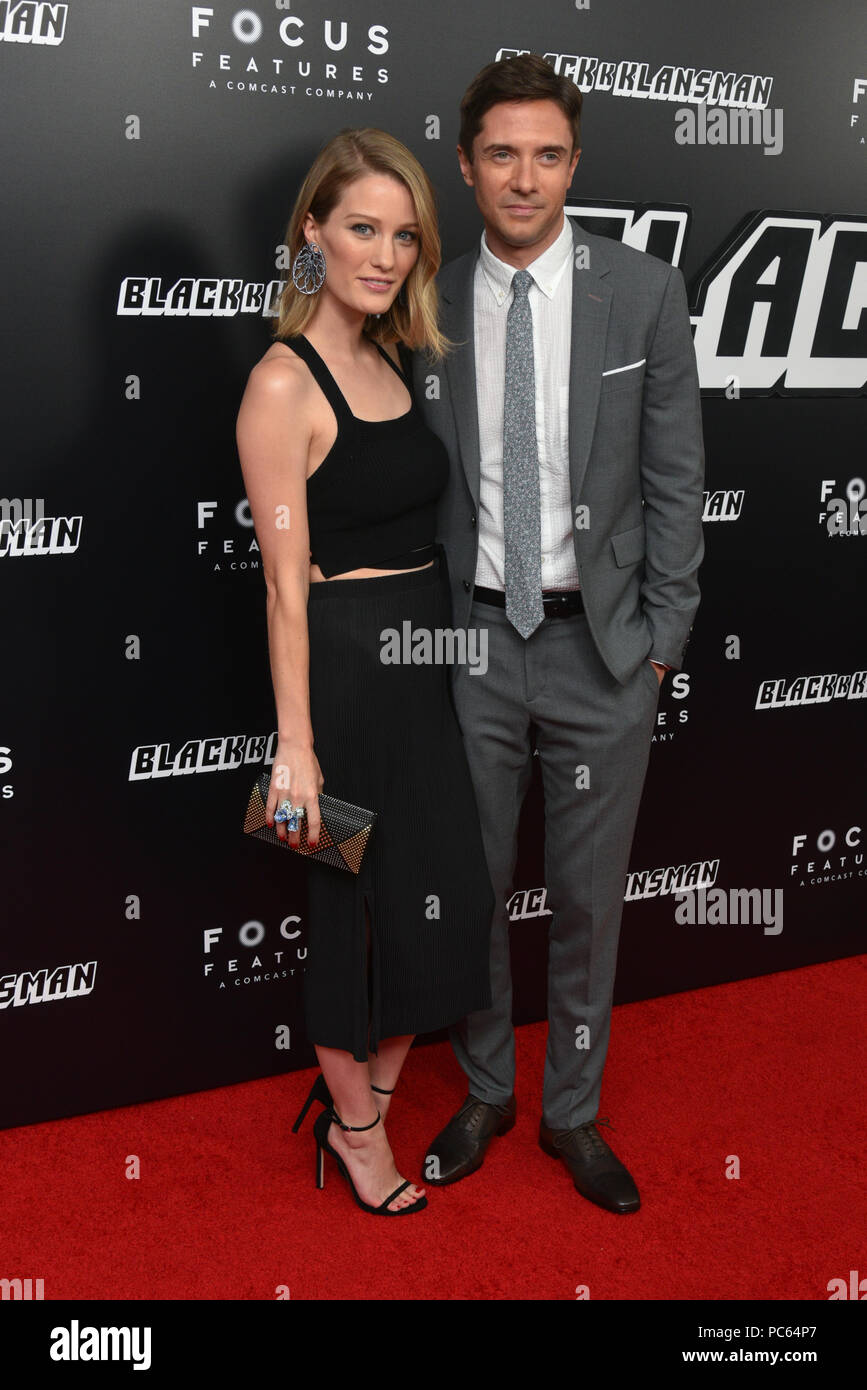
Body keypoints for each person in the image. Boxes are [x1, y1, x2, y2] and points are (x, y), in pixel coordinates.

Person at [413, 55, 705, 1213]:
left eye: (546, 155)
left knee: (588, 902)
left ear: (575, 164)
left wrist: (666, 638)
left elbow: (678, 478)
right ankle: (485, 1087)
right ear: (467, 163)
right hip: (470, 645)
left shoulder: (643, 292)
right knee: (472, 886)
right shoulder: (420, 297)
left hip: (604, 649)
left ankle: (570, 1113)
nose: (523, 178)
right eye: (501, 154)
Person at [236, 128, 495, 1217]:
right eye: (360, 228)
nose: (384, 254)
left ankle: (371, 1090)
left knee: (446, 892)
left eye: (403, 234)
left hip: (422, 645)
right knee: (346, 904)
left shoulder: (393, 358)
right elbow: (287, 587)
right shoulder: (280, 386)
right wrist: (295, 745)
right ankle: (354, 1128)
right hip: (338, 662)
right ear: (313, 234)